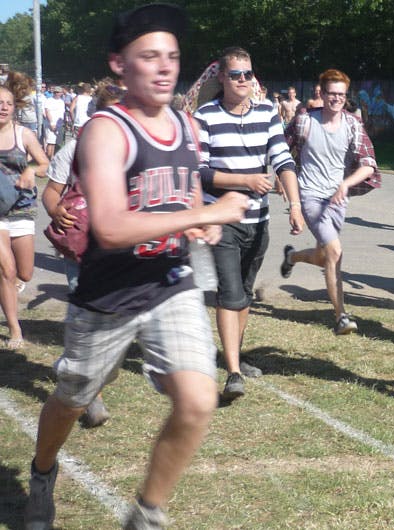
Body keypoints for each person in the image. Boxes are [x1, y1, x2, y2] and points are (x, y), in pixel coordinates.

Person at [25, 5, 249, 529]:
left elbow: (186, 190)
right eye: (150, 56)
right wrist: (206, 212)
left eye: (172, 56)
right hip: (108, 292)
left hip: (171, 281)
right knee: (73, 397)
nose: (165, 66)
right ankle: (42, 470)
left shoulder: (185, 124)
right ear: (119, 65)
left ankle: (146, 516)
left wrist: (200, 225)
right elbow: (110, 226)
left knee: (197, 401)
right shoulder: (106, 130)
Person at [193, 46, 303, 402]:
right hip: (223, 219)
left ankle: (232, 356)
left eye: (248, 74)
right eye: (236, 74)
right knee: (230, 293)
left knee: (244, 292)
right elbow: (202, 172)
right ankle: (235, 373)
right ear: (222, 77)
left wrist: (295, 205)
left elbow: (282, 158)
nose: (244, 80)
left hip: (259, 221)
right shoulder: (205, 116)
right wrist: (246, 181)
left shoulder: (268, 112)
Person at [42, 78, 123, 429]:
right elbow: (51, 192)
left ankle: (89, 372)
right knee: (85, 312)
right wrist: (56, 210)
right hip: (79, 247)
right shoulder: (72, 149)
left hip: (119, 247)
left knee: (115, 316)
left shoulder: (132, 151)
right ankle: (92, 396)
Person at [280, 69, 378, 335]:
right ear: (321, 93)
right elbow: (281, 149)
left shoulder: (352, 125)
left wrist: (345, 184)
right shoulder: (304, 121)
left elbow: (369, 165)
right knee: (335, 252)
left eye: (341, 95)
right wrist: (284, 182)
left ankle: (293, 256)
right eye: (332, 93)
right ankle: (341, 317)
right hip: (309, 195)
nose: (336, 99)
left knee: (325, 256)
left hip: (336, 200)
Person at [0, 84, 49, 348]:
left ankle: (9, 287)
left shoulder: (24, 135)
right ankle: (14, 329)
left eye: (8, 102)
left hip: (21, 209)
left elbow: (44, 163)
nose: (3, 106)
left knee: (25, 273)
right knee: (6, 271)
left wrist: (30, 169)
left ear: (14, 107)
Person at [42, 86, 65, 158]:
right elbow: (47, 111)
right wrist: (51, 123)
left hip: (59, 124)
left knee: (54, 143)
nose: (57, 93)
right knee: (50, 142)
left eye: (58, 92)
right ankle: (48, 159)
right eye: (55, 92)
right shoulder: (49, 100)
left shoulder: (61, 101)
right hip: (51, 124)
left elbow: (62, 113)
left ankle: (51, 158)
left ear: (61, 93)